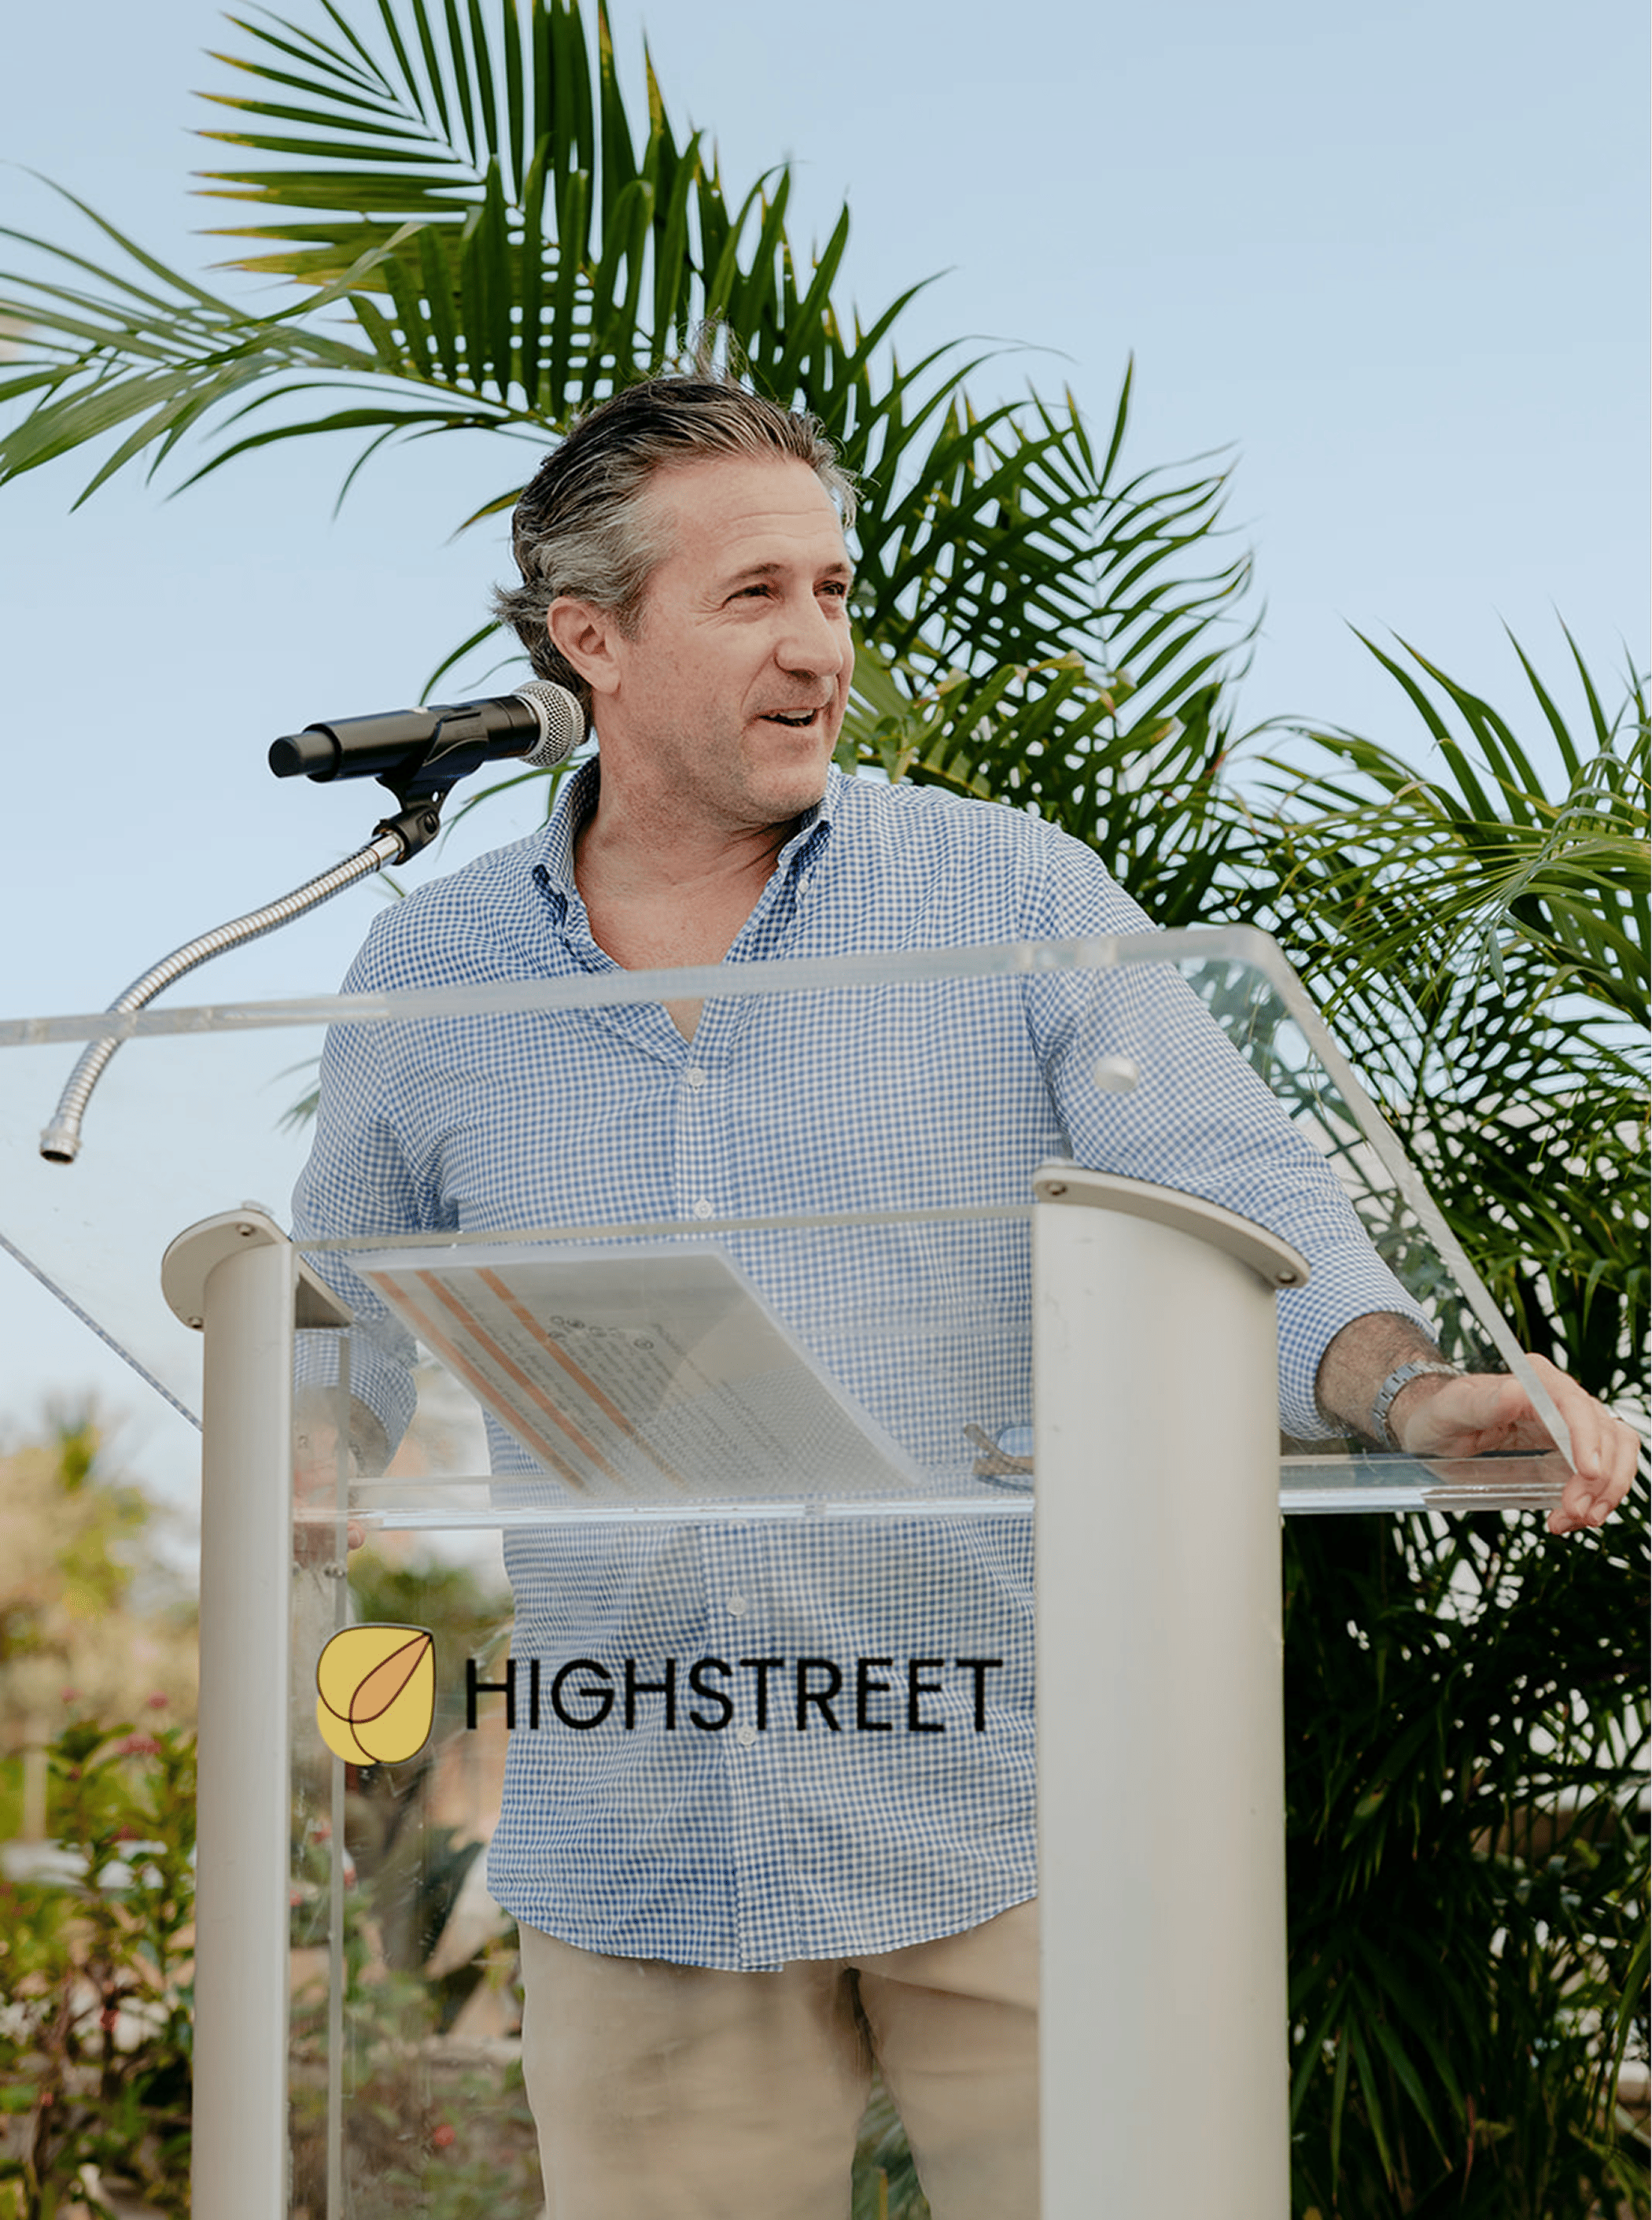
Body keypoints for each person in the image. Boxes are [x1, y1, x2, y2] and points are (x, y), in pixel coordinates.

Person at [292, 371, 1636, 2218]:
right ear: (586, 637)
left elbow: (1235, 1195)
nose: (820, 645)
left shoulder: (1007, 890)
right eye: (755, 593)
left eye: (834, 592)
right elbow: (335, 1321)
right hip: (645, 1842)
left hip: (1004, 1818)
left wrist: (1411, 1391)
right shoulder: (428, 969)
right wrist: (297, 1454)